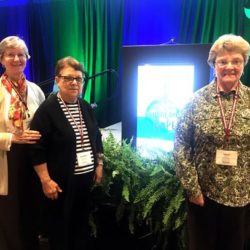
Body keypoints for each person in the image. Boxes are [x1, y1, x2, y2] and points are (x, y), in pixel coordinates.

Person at [173, 34, 250, 250]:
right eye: (222, 61)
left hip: (242, 197)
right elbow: (181, 146)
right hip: (204, 197)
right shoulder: (195, 101)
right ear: (213, 64)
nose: (229, 66)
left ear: (244, 64)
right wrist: (193, 190)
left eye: (236, 60)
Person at [29, 56, 104, 250]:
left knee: (79, 229)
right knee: (60, 231)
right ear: (57, 80)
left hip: (84, 181)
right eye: (68, 78)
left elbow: (96, 137)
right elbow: (37, 148)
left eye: (78, 79)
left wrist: (99, 165)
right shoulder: (47, 110)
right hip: (60, 184)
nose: (74, 83)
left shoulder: (84, 106)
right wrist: (46, 180)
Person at [0, 36, 45, 250]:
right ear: (2, 60)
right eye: (11, 54)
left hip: (33, 158)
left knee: (31, 209)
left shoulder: (36, 90)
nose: (16, 59)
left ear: (27, 58)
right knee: (10, 214)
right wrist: (12, 138)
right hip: (6, 159)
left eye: (21, 55)